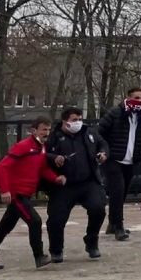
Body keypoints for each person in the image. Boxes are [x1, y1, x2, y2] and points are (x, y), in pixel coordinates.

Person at [0, 117, 66, 270]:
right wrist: (5, 191)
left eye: (48, 130)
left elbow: (43, 169)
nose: (46, 133)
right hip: (17, 195)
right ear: (34, 130)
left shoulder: (41, 148)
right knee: (35, 221)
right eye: (43, 129)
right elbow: (2, 167)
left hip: (25, 194)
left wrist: (56, 178)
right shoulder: (23, 146)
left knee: (4, 227)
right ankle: (39, 257)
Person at [45, 108, 109, 263]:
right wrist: (53, 158)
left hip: (88, 182)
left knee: (98, 209)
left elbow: (103, 144)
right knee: (56, 219)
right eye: (74, 120)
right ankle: (56, 250)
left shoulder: (89, 132)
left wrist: (103, 154)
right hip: (64, 185)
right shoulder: (53, 136)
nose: (78, 122)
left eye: (80, 119)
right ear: (65, 121)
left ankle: (91, 242)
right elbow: (42, 155)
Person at [97, 87, 141, 241]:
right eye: (136, 98)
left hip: (131, 160)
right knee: (117, 190)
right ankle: (119, 226)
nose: (139, 101)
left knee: (122, 193)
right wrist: (103, 150)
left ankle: (112, 223)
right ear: (128, 98)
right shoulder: (115, 113)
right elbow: (99, 132)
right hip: (113, 159)